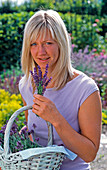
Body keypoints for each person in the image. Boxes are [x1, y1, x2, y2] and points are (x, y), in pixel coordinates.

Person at [19, 9, 102, 170]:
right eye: (34, 44)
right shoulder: (26, 85)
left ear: (61, 43)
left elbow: (90, 154)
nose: (40, 52)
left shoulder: (85, 89)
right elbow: (32, 131)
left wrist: (56, 119)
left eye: (48, 43)